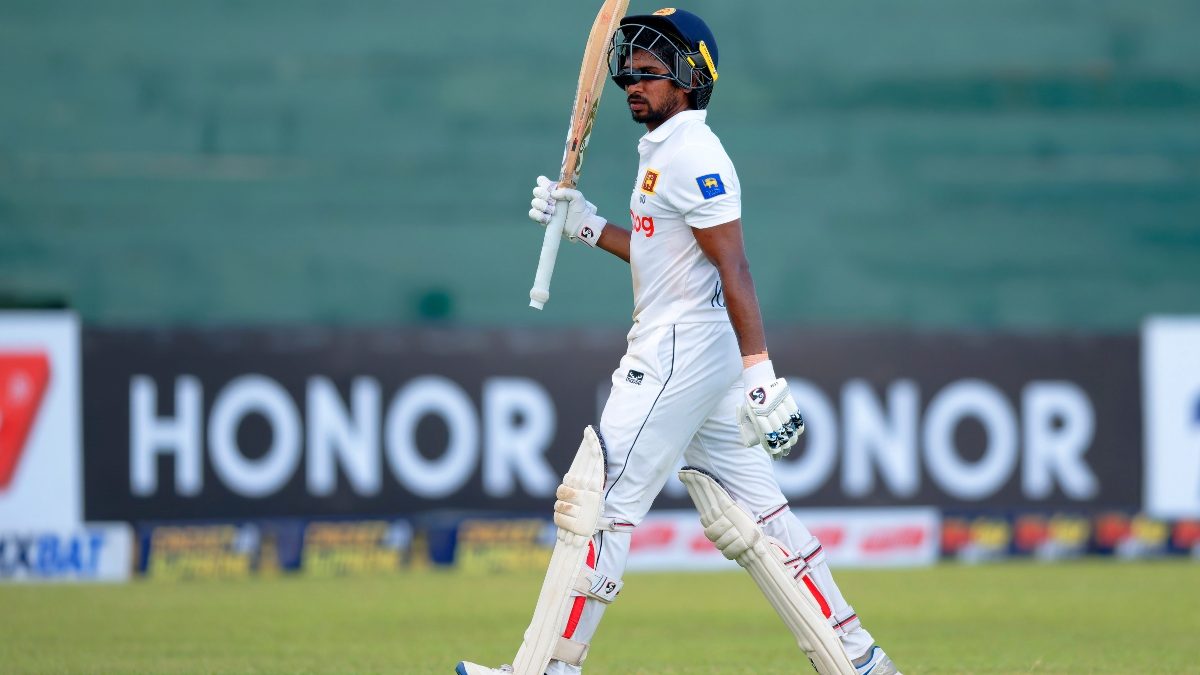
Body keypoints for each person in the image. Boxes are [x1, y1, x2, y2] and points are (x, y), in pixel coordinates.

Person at [459, 8, 899, 675]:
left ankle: (546, 669)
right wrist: (585, 225)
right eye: (627, 66)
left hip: (678, 353)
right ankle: (860, 658)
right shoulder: (664, 151)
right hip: (696, 352)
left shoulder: (694, 153)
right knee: (760, 518)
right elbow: (659, 253)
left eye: (648, 68)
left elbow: (735, 266)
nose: (631, 79)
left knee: (598, 504)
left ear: (691, 77)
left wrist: (761, 372)